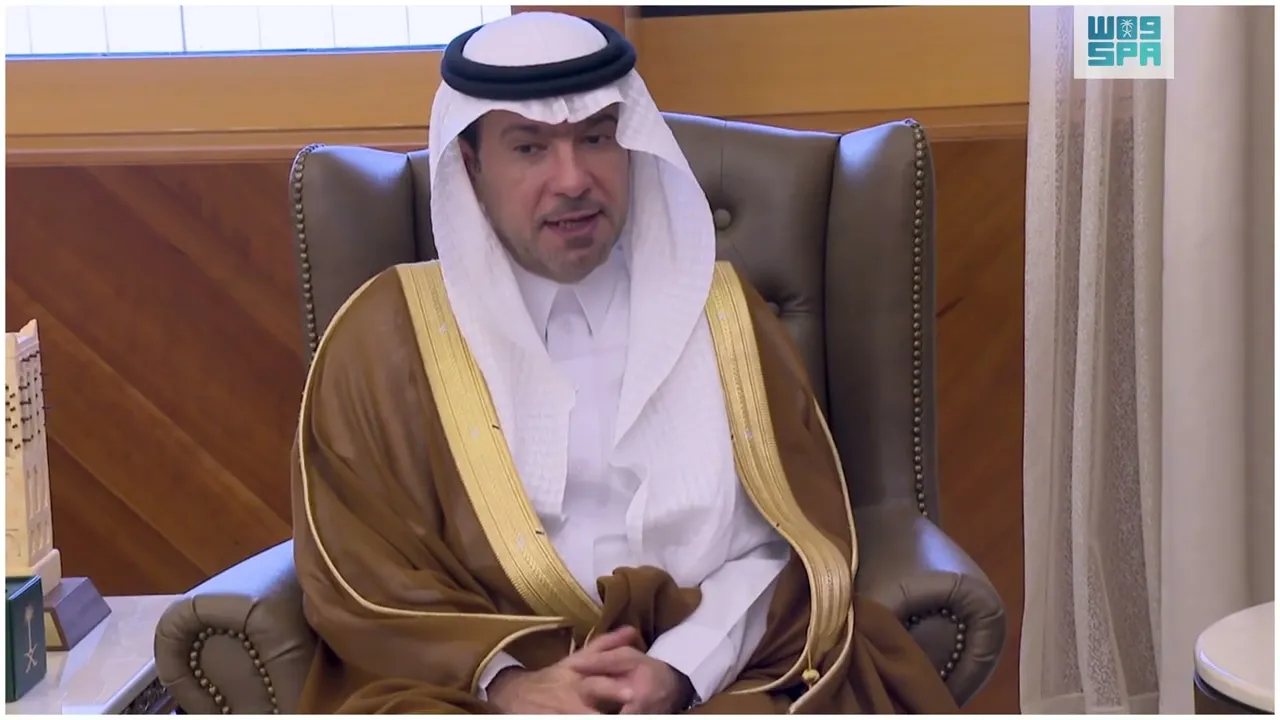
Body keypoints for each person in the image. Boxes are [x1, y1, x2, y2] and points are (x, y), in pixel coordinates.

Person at [290, 10, 959, 715]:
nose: (573, 180)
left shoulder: (726, 317)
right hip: (478, 688)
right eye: (529, 149)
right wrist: (513, 686)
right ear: (472, 164)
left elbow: (789, 548)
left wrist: (678, 670)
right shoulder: (385, 337)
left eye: (597, 137)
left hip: (715, 678)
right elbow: (365, 576)